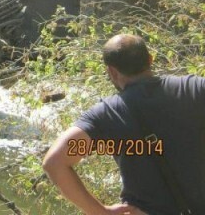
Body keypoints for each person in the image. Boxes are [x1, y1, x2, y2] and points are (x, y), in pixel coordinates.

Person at [42, 34, 205, 215]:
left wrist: (101, 212)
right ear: (150, 60)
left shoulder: (105, 115)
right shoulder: (194, 89)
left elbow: (54, 162)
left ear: (112, 72)